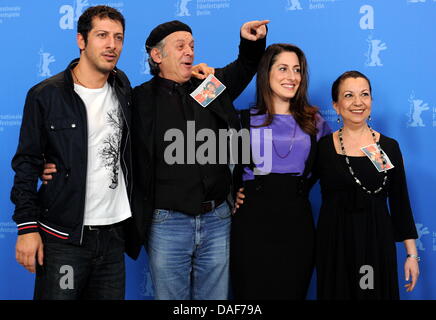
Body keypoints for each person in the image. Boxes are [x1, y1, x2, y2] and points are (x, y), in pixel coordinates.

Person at [10, 6, 143, 300]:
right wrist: (26, 228)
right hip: (63, 238)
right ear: (81, 40)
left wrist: (206, 78)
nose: (112, 45)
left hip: (113, 236)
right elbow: (27, 163)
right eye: (102, 35)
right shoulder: (46, 94)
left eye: (118, 37)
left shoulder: (123, 88)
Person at [130, 19, 268, 300]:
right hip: (167, 223)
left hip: (217, 220)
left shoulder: (207, 87)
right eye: (180, 46)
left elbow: (244, 67)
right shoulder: (138, 99)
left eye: (192, 46)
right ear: (157, 56)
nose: (189, 52)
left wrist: (251, 41)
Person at [231, 43, 331, 299]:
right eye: (283, 68)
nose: (292, 76)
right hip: (251, 225)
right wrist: (229, 195)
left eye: (297, 70)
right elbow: (216, 166)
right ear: (266, 73)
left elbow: (330, 171)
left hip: (296, 224)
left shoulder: (316, 123)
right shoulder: (243, 120)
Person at [315, 70, 419, 299]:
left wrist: (411, 255)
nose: (358, 102)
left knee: (371, 292)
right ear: (336, 105)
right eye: (349, 95)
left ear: (371, 100)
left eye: (364, 94)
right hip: (335, 244)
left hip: (375, 241)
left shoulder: (389, 148)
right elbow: (297, 188)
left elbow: (400, 201)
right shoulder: (322, 147)